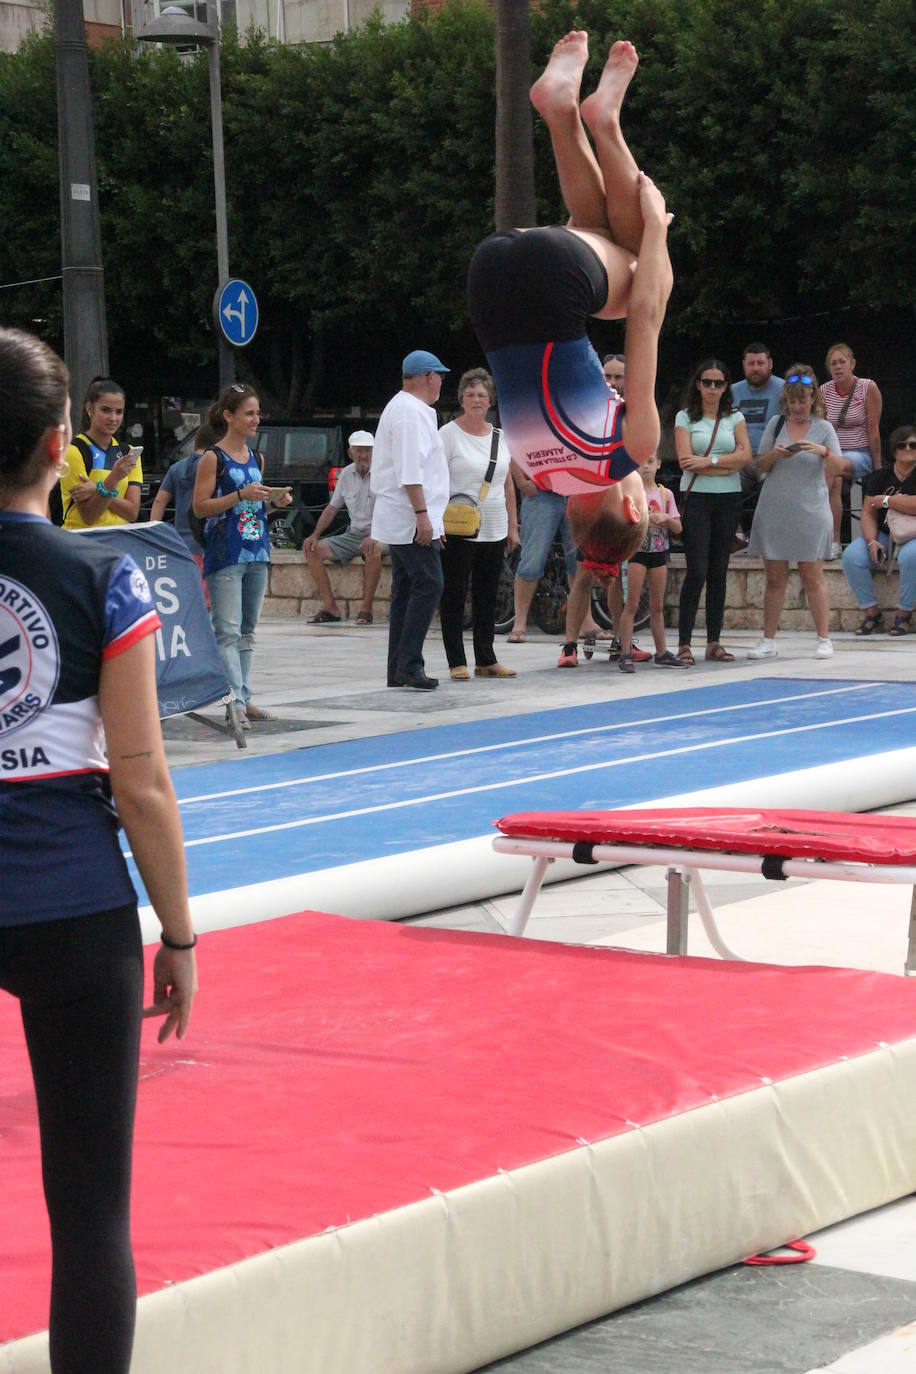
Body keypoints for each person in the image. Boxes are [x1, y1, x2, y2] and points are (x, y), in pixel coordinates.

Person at [0, 326, 197, 1374]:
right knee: (88, 1214)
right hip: (74, 913)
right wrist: (179, 932)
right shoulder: (106, 576)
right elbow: (141, 780)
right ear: (55, 443)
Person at [467, 33, 673, 572]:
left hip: (553, 276)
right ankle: (565, 109)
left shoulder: (629, 449)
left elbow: (648, 318)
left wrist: (656, 227)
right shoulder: (534, 474)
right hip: (490, 273)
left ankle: (604, 120)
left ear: (632, 507)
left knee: (631, 276)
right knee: (595, 234)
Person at [192, 382, 293, 727]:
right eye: (249, 413)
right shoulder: (212, 457)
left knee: (248, 630)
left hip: (256, 548)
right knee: (228, 630)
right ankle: (233, 701)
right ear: (228, 416)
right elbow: (201, 507)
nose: (256, 419)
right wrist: (239, 495)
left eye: (257, 413)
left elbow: (253, 499)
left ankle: (243, 697)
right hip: (226, 551)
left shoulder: (255, 457)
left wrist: (273, 499)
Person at [746, 365, 842, 659]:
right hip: (775, 507)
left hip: (810, 509)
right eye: (792, 401)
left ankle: (824, 638)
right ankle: (768, 640)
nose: (798, 407)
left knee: (812, 575)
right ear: (785, 401)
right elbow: (757, 467)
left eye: (803, 401)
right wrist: (775, 454)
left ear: (813, 399)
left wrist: (822, 452)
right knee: (775, 578)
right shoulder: (776, 424)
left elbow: (841, 467)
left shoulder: (824, 428)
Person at [370, 349, 450, 690]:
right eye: (440, 376)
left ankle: (398, 666)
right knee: (429, 583)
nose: (441, 383)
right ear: (428, 376)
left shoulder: (408, 409)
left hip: (405, 514)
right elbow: (410, 470)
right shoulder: (410, 413)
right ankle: (409, 664)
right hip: (408, 515)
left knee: (406, 587)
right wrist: (423, 516)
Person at [438, 368, 519, 679]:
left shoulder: (500, 438)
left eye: (481, 395)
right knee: (455, 592)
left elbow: (508, 485)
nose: (475, 400)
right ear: (460, 399)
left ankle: (486, 658)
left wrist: (513, 526)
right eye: (470, 394)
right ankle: (456, 660)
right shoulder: (448, 435)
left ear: (490, 401)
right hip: (458, 526)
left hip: (494, 526)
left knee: (488, 593)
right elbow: (435, 479)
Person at [674, 359, 752, 664]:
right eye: (707, 382)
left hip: (728, 497)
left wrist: (710, 463)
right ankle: (684, 643)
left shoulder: (734, 417)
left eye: (719, 383)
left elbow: (745, 455)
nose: (713, 388)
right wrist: (724, 461)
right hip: (697, 498)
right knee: (697, 570)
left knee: (719, 570)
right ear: (698, 384)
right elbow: (684, 459)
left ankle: (714, 641)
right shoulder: (685, 418)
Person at [302, 430, 386, 625]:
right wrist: (315, 534)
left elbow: (391, 509)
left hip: (382, 534)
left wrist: (375, 535)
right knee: (313, 550)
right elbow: (332, 508)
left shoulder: (384, 473)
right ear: (351, 453)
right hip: (354, 533)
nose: (364, 455)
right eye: (359, 451)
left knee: (372, 549)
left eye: (368, 451)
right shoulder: (346, 474)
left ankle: (366, 609)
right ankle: (330, 607)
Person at [841, 425, 916, 638]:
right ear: (893, 450)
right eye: (902, 445)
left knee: (912, 556)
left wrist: (886, 500)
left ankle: (904, 612)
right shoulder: (880, 477)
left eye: (913, 444)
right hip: (884, 532)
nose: (908, 448)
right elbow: (868, 513)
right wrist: (872, 541)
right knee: (852, 556)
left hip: (913, 534)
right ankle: (872, 612)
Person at [618, 451, 686, 670]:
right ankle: (625, 652)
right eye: (640, 463)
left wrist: (665, 518)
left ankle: (662, 650)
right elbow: (622, 522)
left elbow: (678, 527)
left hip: (658, 552)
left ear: (658, 464)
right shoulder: (630, 494)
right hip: (637, 552)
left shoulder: (665, 495)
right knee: (632, 604)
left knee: (657, 605)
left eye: (649, 462)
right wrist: (643, 519)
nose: (645, 467)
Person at [819, 343, 883, 558]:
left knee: (832, 469)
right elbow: (820, 426)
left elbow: (873, 430)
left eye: (842, 362)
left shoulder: (868, 387)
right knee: (832, 476)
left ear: (852, 364)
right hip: (833, 454)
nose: (838, 367)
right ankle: (831, 540)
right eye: (833, 363)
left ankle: (833, 540)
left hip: (859, 452)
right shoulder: (824, 390)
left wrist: (878, 467)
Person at [58, 375, 143, 528]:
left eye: (119, 412)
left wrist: (96, 489)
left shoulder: (128, 452)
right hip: (82, 542)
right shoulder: (73, 451)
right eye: (105, 410)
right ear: (90, 409)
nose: (113, 418)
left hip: (119, 542)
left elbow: (132, 513)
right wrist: (113, 478)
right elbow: (89, 516)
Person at [506, 473, 577, 644]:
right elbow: (514, 446)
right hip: (541, 493)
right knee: (532, 561)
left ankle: (584, 621)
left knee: (579, 561)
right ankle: (519, 623)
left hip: (574, 491)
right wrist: (521, 482)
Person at [730, 342, 784, 536]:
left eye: (760, 363)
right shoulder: (731, 391)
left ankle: (763, 536)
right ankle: (735, 536)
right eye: (751, 363)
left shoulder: (784, 390)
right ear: (744, 365)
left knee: (771, 486)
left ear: (770, 364)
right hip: (738, 458)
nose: (755, 368)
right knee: (723, 482)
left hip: (770, 459)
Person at [150, 420, 220, 568]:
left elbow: (159, 501)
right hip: (206, 544)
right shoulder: (214, 466)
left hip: (181, 545)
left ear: (195, 443)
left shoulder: (176, 468)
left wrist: (154, 532)